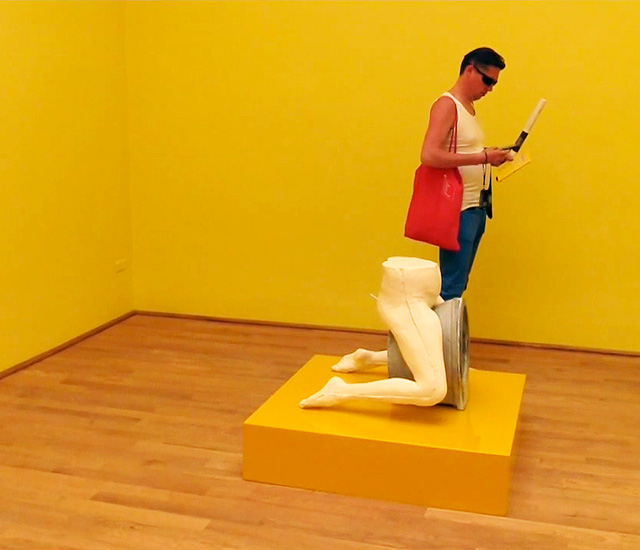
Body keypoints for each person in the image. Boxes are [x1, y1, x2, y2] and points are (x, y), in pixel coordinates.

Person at [420, 47, 509, 301]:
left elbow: (462, 151)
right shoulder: (447, 105)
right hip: (457, 208)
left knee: (458, 283)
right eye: (487, 81)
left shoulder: (467, 108)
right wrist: (483, 157)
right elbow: (429, 155)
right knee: (451, 287)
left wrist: (489, 155)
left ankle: (448, 328)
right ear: (470, 70)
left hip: (476, 207)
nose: (489, 89)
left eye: (494, 83)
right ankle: (441, 329)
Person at [299, 257, 447, 409]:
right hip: (407, 296)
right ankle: (339, 391)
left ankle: (368, 359)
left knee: (442, 353)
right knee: (432, 390)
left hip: (424, 286)